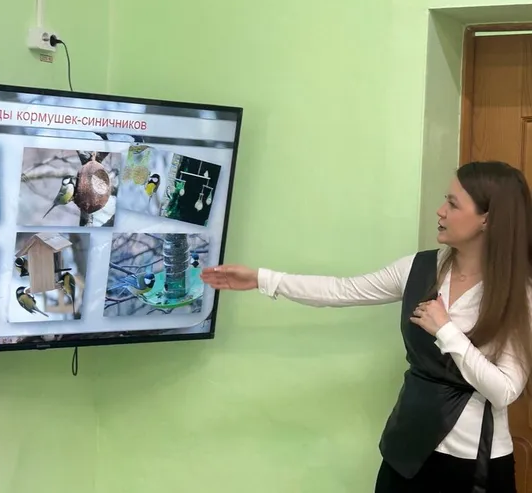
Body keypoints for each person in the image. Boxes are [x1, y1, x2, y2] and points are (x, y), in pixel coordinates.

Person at [201, 161, 532, 493]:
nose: (440, 210)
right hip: (406, 452)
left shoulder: (519, 294)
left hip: (476, 466)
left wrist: (446, 331)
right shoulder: (417, 268)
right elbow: (342, 290)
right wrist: (261, 279)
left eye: (453, 203)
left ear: (487, 219)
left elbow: (505, 390)